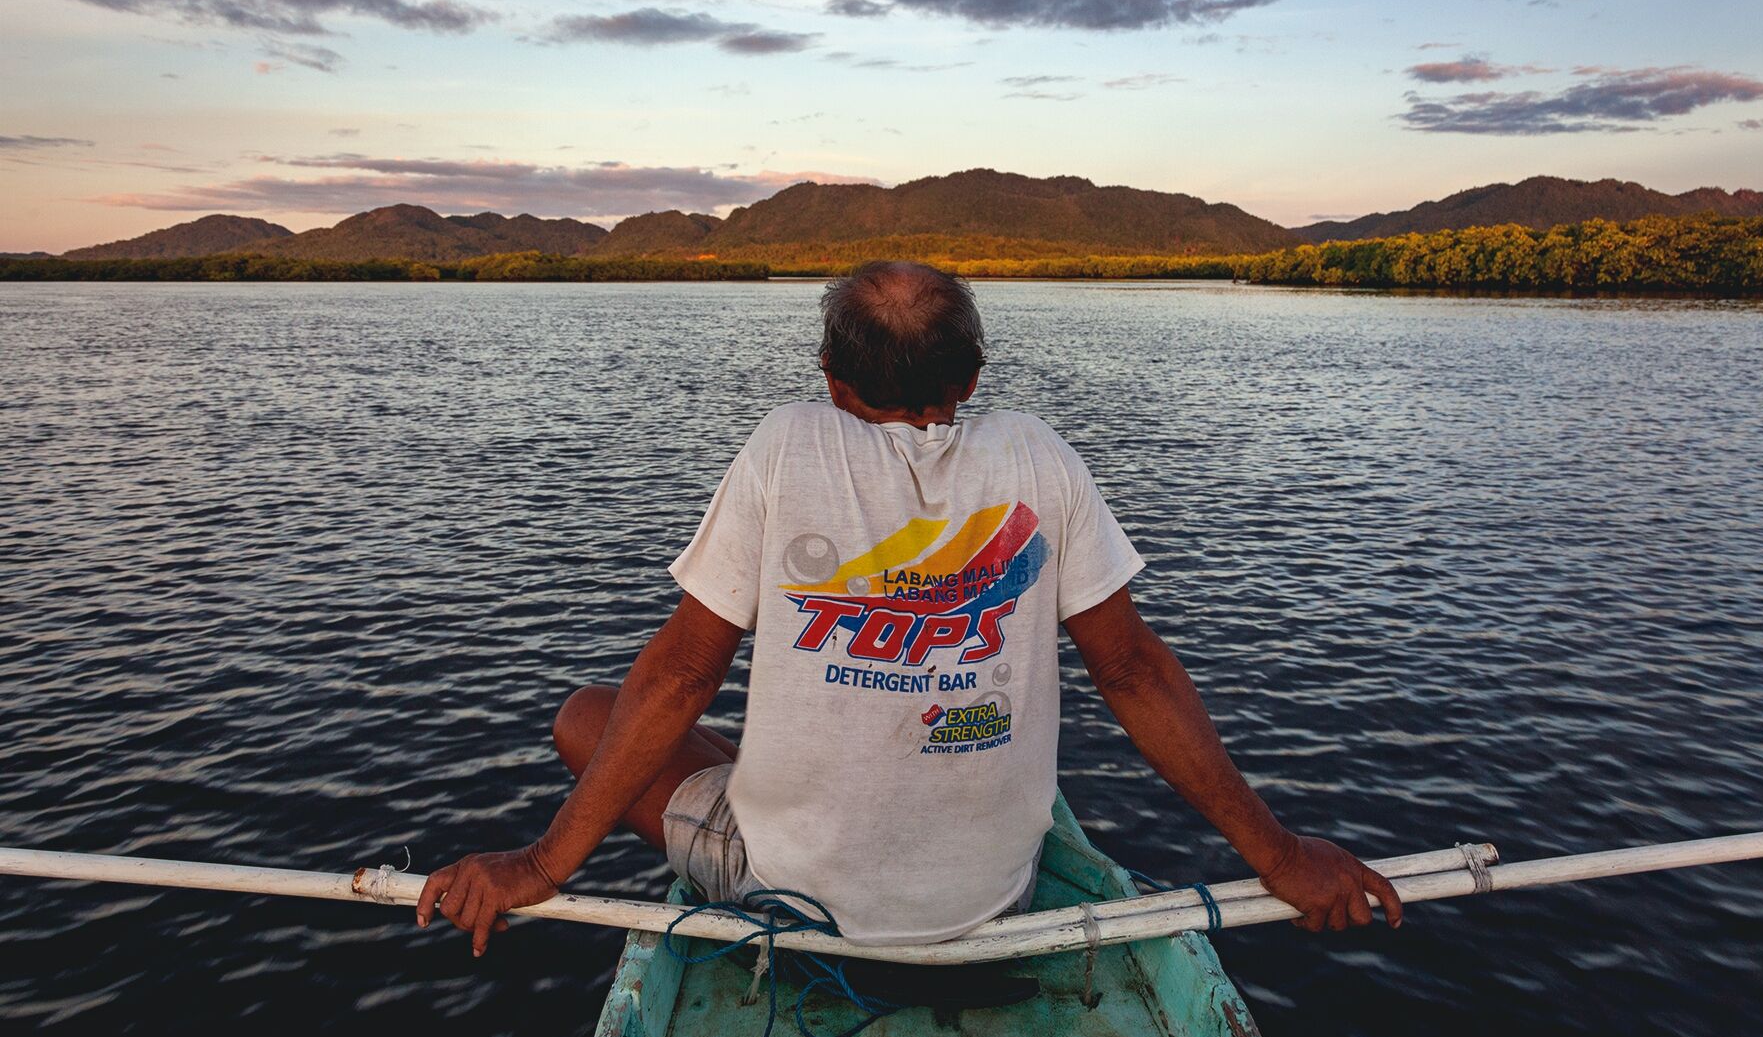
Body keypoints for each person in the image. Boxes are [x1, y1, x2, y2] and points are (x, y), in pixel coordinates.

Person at [416, 261, 1402, 957]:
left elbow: (681, 673)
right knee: (776, 741)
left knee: (590, 715)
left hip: (791, 891)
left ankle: (761, 827)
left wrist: (542, 863)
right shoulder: (1039, 457)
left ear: (832, 380)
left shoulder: (785, 446)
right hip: (991, 890)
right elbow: (1132, 670)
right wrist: (1280, 853)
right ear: (970, 382)